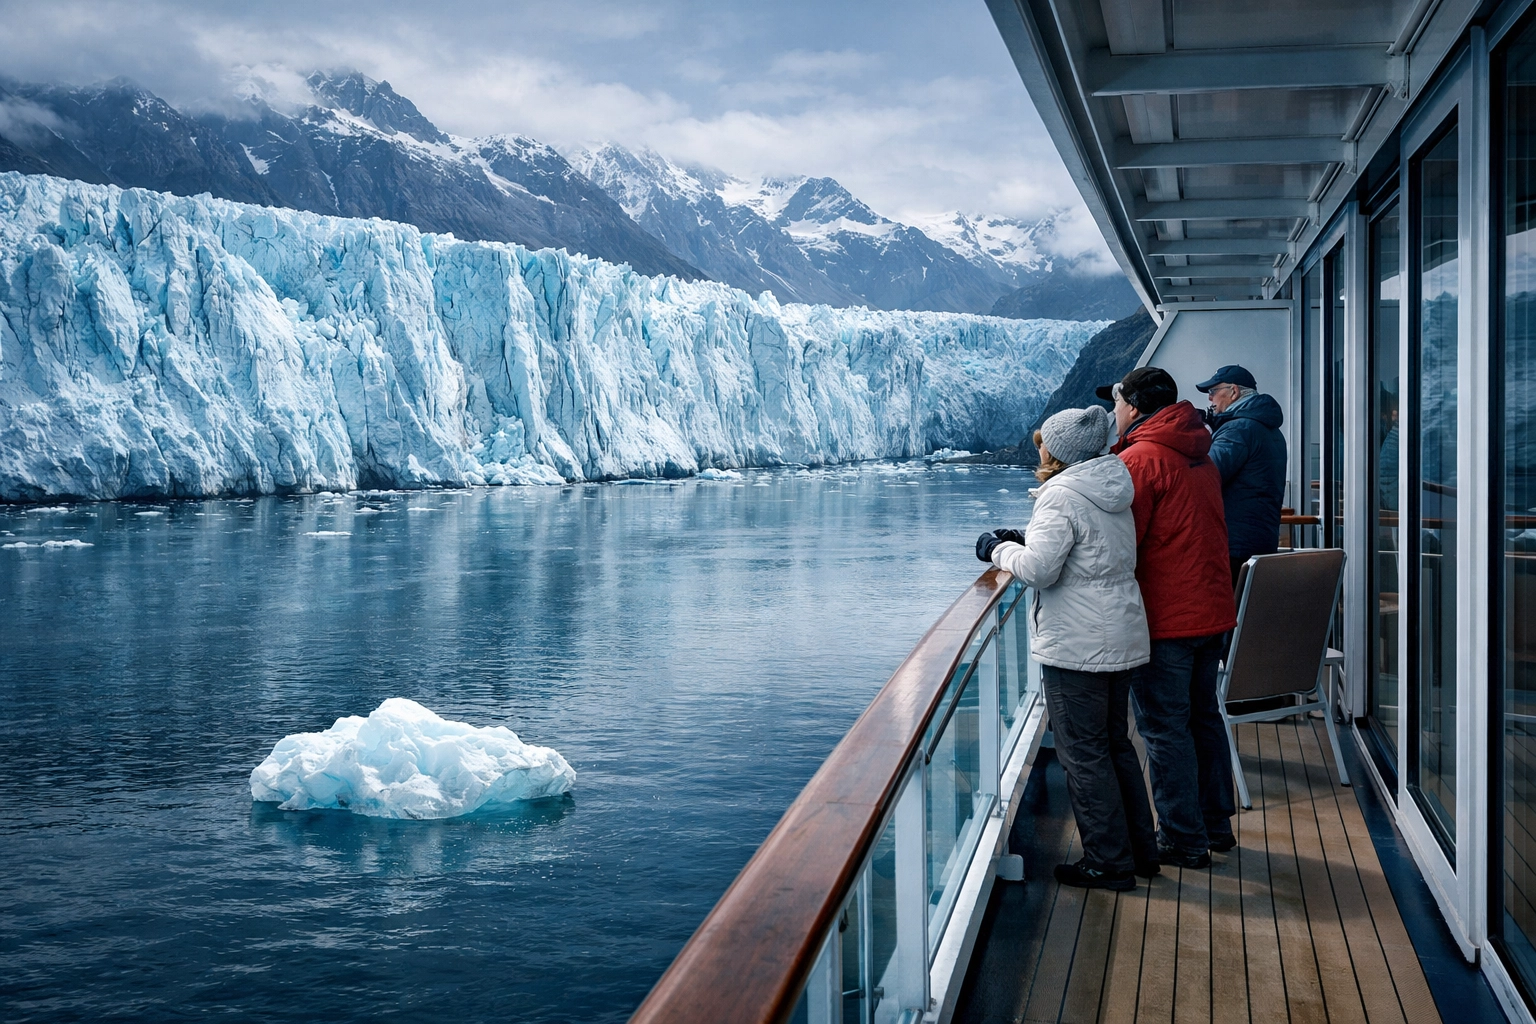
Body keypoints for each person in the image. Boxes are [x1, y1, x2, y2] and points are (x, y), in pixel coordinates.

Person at [976, 406, 1157, 891]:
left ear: (1058, 451)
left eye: (1045, 442)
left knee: (1083, 754)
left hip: (1079, 645)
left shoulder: (1060, 497)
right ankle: (1141, 851)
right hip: (1118, 632)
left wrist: (997, 549)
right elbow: (1083, 549)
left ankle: (1108, 863)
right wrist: (1028, 537)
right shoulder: (1112, 487)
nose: (1042, 448)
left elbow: (1039, 570)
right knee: (1115, 745)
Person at [1094, 366, 1238, 866]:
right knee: (1202, 717)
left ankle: (1181, 837)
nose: (1114, 414)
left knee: (1162, 728)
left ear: (1132, 407)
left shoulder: (1141, 460)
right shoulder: (1199, 452)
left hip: (1168, 618)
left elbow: (1122, 543)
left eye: (1116, 404)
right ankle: (1214, 826)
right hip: (1212, 610)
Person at [1196, 365, 1288, 584]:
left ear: (1234, 391)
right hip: (1259, 539)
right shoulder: (1269, 429)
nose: (1210, 399)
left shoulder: (1238, 430)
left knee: (1229, 612)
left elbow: (1208, 476)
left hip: (1233, 543)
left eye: (1213, 391)